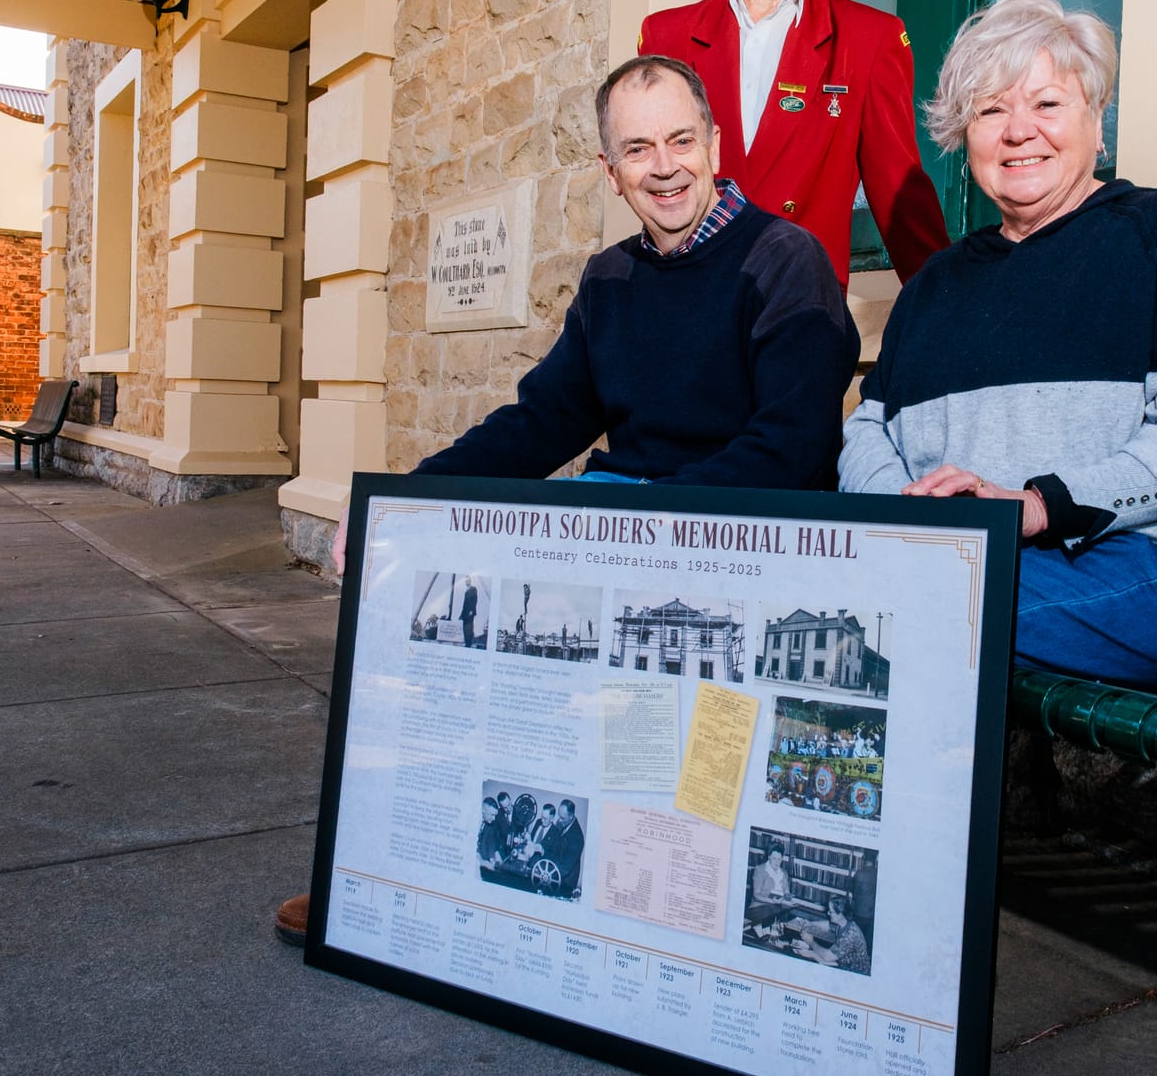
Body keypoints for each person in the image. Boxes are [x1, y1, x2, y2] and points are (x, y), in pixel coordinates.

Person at [277, 55, 860, 945]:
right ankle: (390, 868)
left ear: (714, 142)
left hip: (742, 545)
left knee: (668, 774)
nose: (663, 165)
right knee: (460, 658)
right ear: (610, 172)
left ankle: (662, 915)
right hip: (628, 533)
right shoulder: (609, 280)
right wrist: (405, 504)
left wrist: (636, 523)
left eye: (679, 140)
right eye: (637, 149)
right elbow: (543, 419)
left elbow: (793, 447)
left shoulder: (786, 263)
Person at [839, 0, 1157, 694]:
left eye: (1047, 105)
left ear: (1097, 125)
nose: (1017, 131)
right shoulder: (935, 284)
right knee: (822, 601)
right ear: (963, 135)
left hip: (1152, 571)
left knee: (908, 618)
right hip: (961, 564)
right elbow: (866, 433)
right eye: (991, 110)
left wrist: (1038, 504)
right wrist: (908, 511)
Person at [639, 0, 948, 287]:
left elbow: (899, 200)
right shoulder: (665, 37)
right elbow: (647, 174)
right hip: (685, 305)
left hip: (801, 313)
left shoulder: (869, 40)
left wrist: (947, 306)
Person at [797, 893, 870, 974]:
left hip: (855, 972)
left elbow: (827, 957)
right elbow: (827, 925)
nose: (828, 913)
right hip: (843, 963)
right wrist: (810, 923)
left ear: (840, 914)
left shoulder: (850, 935)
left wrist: (810, 942)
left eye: (831, 912)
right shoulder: (844, 922)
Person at [457, 580, 479, 648]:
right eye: (465, 581)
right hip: (465, 613)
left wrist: (471, 611)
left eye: (468, 581)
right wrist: (461, 615)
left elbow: (475, 600)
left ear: (470, 582)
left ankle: (469, 644)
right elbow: (465, 604)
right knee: (465, 629)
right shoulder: (466, 591)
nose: (466, 583)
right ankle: (467, 643)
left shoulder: (473, 589)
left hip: (470, 613)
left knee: (469, 628)